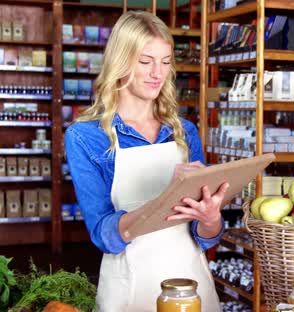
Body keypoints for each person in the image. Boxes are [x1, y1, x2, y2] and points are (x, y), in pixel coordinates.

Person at [65, 11, 227, 312]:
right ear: (121, 61)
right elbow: (104, 235)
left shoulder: (183, 132)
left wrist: (210, 218)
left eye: (165, 62)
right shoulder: (86, 137)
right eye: (145, 61)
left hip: (191, 285)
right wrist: (166, 197)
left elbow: (205, 237)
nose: (157, 73)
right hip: (129, 287)